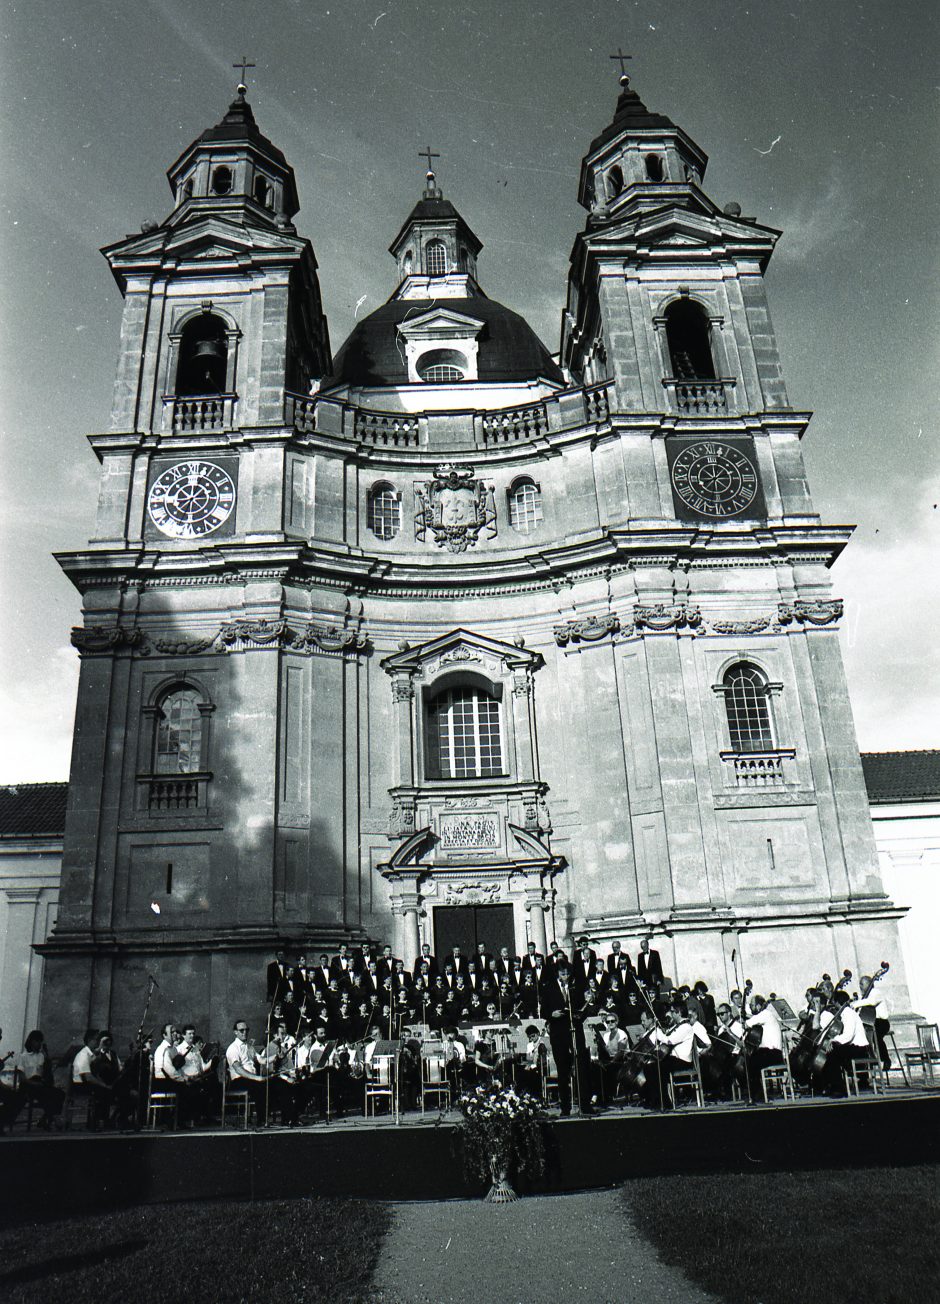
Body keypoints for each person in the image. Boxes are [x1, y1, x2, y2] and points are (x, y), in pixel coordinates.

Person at [539, 960, 593, 1115]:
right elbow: (543, 1011)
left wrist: (578, 1015)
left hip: (575, 1030)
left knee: (581, 1067)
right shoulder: (549, 988)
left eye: (567, 973)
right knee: (563, 1069)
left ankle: (585, 1105)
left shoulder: (575, 987)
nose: (566, 976)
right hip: (558, 1032)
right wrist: (552, 1015)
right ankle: (565, 1107)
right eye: (563, 973)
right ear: (557, 973)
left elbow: (583, 1008)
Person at [16, 1030, 64, 1128]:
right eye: (37, 1041)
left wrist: (47, 1065)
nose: (39, 1044)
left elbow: (43, 1074)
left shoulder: (41, 1056)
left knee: (60, 1094)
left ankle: (45, 1119)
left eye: (40, 1041)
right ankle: (53, 1118)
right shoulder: (23, 1057)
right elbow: (22, 1079)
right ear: (31, 1041)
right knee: (45, 1095)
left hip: (39, 1083)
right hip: (28, 1085)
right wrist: (35, 1084)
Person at [72, 1027, 114, 1129]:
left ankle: (103, 1120)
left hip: (86, 1083)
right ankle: (97, 1122)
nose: (97, 1041)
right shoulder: (83, 1055)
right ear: (90, 1040)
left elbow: (95, 1061)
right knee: (103, 1091)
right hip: (80, 1084)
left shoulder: (90, 1054)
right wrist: (104, 1085)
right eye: (96, 1039)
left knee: (107, 1090)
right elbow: (88, 1077)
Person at [225, 1019, 268, 1118]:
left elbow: (261, 1060)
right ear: (235, 1032)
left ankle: (266, 1118)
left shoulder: (249, 1047)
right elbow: (238, 1069)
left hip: (251, 1079)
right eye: (242, 1030)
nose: (245, 1032)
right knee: (260, 1086)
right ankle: (261, 1120)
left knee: (270, 1084)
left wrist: (275, 1057)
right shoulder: (233, 1048)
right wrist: (255, 1078)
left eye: (246, 1030)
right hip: (239, 1080)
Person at [851, 976, 891, 1072]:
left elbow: (871, 1002)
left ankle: (885, 1059)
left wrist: (856, 1004)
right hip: (870, 1021)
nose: (860, 986)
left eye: (862, 984)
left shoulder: (876, 993)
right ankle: (868, 1059)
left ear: (869, 984)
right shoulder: (864, 996)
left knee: (875, 1036)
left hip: (881, 1022)